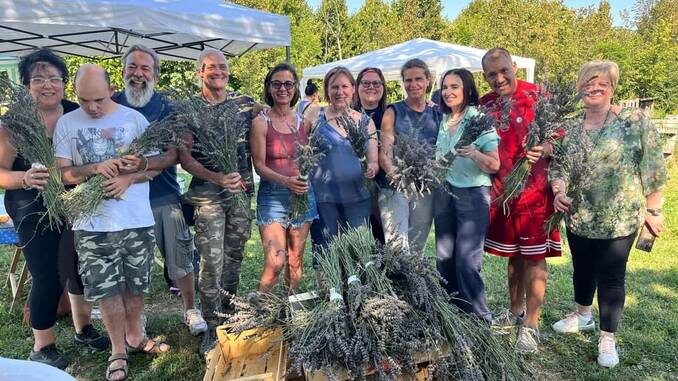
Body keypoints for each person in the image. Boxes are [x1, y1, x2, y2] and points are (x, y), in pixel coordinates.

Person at [55, 64, 169, 381]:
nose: (91, 108)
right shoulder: (67, 123)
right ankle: (118, 350)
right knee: (106, 291)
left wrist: (129, 178)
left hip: (135, 221)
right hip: (91, 226)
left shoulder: (134, 119)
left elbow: (154, 166)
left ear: (111, 89)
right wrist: (94, 169)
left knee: (135, 286)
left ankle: (135, 336)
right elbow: (64, 174)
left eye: (99, 100)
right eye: (83, 101)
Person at [549, 60, 666, 368]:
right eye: (588, 82)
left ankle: (607, 337)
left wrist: (654, 210)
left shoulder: (633, 120)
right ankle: (583, 315)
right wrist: (558, 191)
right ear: (579, 88)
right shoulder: (571, 128)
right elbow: (558, 166)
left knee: (611, 276)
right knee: (582, 269)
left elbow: (653, 166)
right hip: (580, 215)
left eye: (602, 82)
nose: (594, 87)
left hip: (620, 218)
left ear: (613, 87)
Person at [0, 49, 108, 370]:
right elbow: (2, 172)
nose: (47, 85)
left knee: (77, 266)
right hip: (30, 203)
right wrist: (24, 177)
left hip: (75, 201)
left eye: (54, 78)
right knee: (47, 273)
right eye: (38, 79)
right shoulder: (13, 124)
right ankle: (42, 345)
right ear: (26, 85)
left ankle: (83, 328)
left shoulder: (76, 114)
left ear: (64, 83)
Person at [112, 44, 207, 336]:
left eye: (145, 68)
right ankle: (135, 318)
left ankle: (190, 308)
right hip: (121, 199)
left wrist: (140, 165)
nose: (138, 74)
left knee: (180, 255)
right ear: (124, 69)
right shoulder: (110, 104)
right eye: (132, 67)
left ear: (155, 73)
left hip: (162, 195)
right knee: (130, 264)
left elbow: (174, 154)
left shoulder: (168, 107)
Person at [479, 47, 561, 353]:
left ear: (514, 66)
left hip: (534, 193)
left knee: (534, 257)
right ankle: (515, 311)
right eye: (491, 74)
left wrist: (546, 148)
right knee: (513, 257)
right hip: (501, 194)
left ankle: (532, 325)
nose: (499, 79)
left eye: (504, 71)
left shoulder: (540, 96)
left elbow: (559, 137)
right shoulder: (486, 104)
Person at [178, 48, 257, 355]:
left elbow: (274, 112)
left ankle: (228, 315)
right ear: (201, 72)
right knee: (212, 261)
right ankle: (212, 326)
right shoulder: (189, 109)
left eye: (223, 67)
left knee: (234, 257)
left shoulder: (244, 104)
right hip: (208, 195)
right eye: (211, 68)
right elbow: (184, 158)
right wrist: (217, 177)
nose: (218, 72)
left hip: (240, 194)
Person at [434, 68, 500, 323]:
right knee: (444, 255)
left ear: (467, 90)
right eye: (445, 87)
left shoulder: (479, 120)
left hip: (472, 194)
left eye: (455, 87)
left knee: (467, 260)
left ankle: (480, 317)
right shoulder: (442, 119)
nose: (448, 92)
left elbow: (494, 164)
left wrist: (474, 153)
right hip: (444, 192)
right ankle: (452, 312)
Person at [251, 63, 317, 293]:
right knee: (275, 261)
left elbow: (309, 159)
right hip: (273, 197)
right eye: (276, 84)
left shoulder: (304, 123)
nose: (282, 89)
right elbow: (259, 166)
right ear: (269, 88)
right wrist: (286, 181)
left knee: (295, 259)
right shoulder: (261, 122)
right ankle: (259, 311)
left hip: (302, 195)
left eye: (288, 84)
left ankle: (289, 310)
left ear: (295, 88)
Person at [307, 66, 378, 250]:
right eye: (334, 87)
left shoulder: (365, 121)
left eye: (345, 87)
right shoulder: (314, 116)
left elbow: (374, 161)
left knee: (358, 255)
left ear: (353, 89)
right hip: (324, 201)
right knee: (325, 256)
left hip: (358, 199)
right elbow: (300, 149)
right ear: (327, 90)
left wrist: (371, 168)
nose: (340, 92)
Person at [378, 58, 441, 254]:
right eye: (408, 80)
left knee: (416, 248)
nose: (413, 85)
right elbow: (384, 152)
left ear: (428, 80)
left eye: (418, 79)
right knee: (397, 247)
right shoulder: (393, 111)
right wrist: (394, 174)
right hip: (396, 186)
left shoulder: (437, 114)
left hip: (425, 189)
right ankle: (397, 285)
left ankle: (413, 285)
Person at [354, 67, 387, 245]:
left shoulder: (393, 112)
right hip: (353, 187)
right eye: (366, 83)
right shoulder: (346, 114)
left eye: (376, 83)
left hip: (384, 187)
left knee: (381, 237)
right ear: (357, 87)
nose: (371, 87)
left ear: (383, 87)